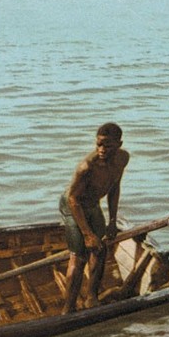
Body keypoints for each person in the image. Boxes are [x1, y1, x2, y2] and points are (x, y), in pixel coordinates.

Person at [59, 122, 130, 314]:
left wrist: (113, 220)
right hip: (73, 206)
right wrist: (87, 234)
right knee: (79, 256)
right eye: (98, 144)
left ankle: (92, 298)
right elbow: (73, 199)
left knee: (100, 250)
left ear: (119, 145)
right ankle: (68, 308)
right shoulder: (87, 167)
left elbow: (114, 188)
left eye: (107, 146)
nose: (101, 150)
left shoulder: (123, 159)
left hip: (93, 205)